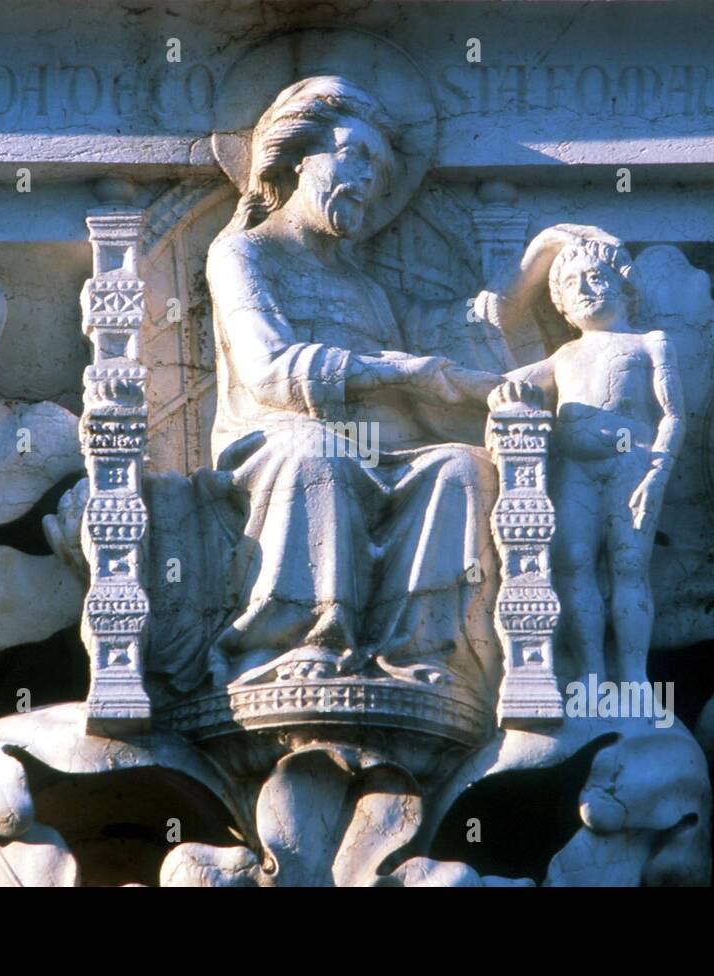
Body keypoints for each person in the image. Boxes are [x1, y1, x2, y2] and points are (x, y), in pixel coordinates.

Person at [205, 76, 546, 694]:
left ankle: (419, 653)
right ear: (296, 157)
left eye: (380, 171)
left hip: (384, 452)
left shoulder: (368, 287)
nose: (367, 180)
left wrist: (518, 362)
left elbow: (453, 336)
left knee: (460, 467)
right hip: (272, 445)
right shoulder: (243, 254)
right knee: (319, 451)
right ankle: (296, 641)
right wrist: (399, 371)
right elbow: (267, 367)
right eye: (354, 156)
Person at [509, 232, 684, 684]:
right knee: (573, 562)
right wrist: (509, 390)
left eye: (594, 276)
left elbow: (672, 415)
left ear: (624, 286)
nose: (584, 288)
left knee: (628, 565)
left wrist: (658, 471)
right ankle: (589, 674)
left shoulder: (651, 343)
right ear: (562, 306)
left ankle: (634, 677)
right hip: (575, 472)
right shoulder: (565, 354)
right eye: (570, 284)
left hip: (631, 467)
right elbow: (502, 384)